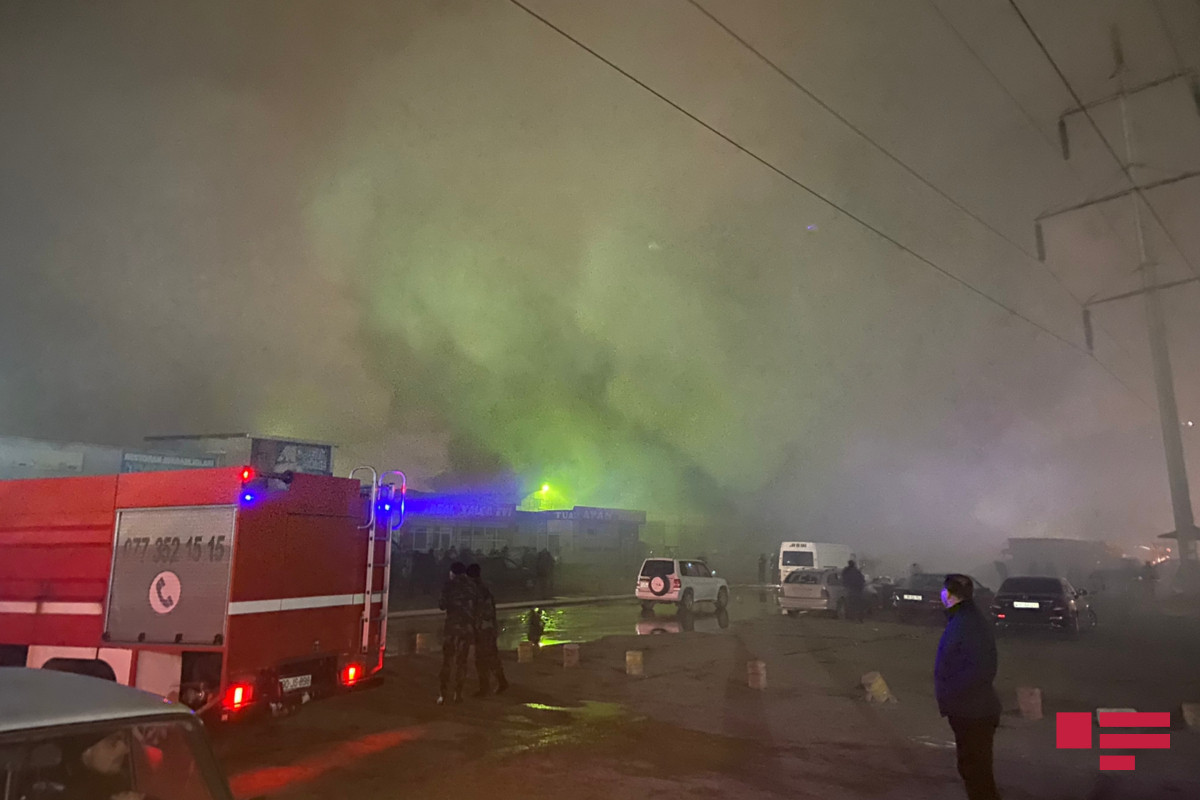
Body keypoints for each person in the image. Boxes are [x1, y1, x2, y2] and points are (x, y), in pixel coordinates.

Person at [935, 574, 1002, 800]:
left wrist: (953, 694)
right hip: (970, 709)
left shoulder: (967, 623)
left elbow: (980, 669)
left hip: (973, 712)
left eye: (944, 591)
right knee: (974, 770)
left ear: (949, 595)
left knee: (977, 773)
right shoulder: (965, 619)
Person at [437, 561, 478, 705]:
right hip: (466, 629)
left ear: (452, 573)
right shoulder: (472, 586)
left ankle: (443, 695)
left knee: (447, 661)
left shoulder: (449, 585)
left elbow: (442, 605)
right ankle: (458, 694)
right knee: (462, 662)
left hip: (451, 628)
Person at [467, 563, 508, 696]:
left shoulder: (479, 591)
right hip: (485, 629)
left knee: (485, 658)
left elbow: (482, 612)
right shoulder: (481, 589)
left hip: (484, 630)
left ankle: (492, 684)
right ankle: (493, 683)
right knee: (486, 657)